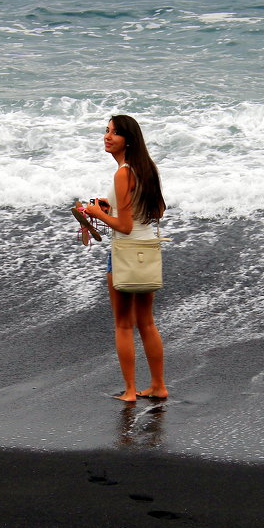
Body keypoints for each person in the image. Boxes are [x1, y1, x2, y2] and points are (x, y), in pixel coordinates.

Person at [76, 115, 168, 402]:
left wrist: (97, 213)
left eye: (114, 133)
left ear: (127, 139)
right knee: (147, 323)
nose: (107, 137)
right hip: (148, 250)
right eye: (106, 131)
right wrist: (111, 207)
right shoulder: (147, 169)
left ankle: (129, 391)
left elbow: (124, 227)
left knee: (123, 324)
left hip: (124, 253)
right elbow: (158, 211)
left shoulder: (122, 173)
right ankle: (158, 386)